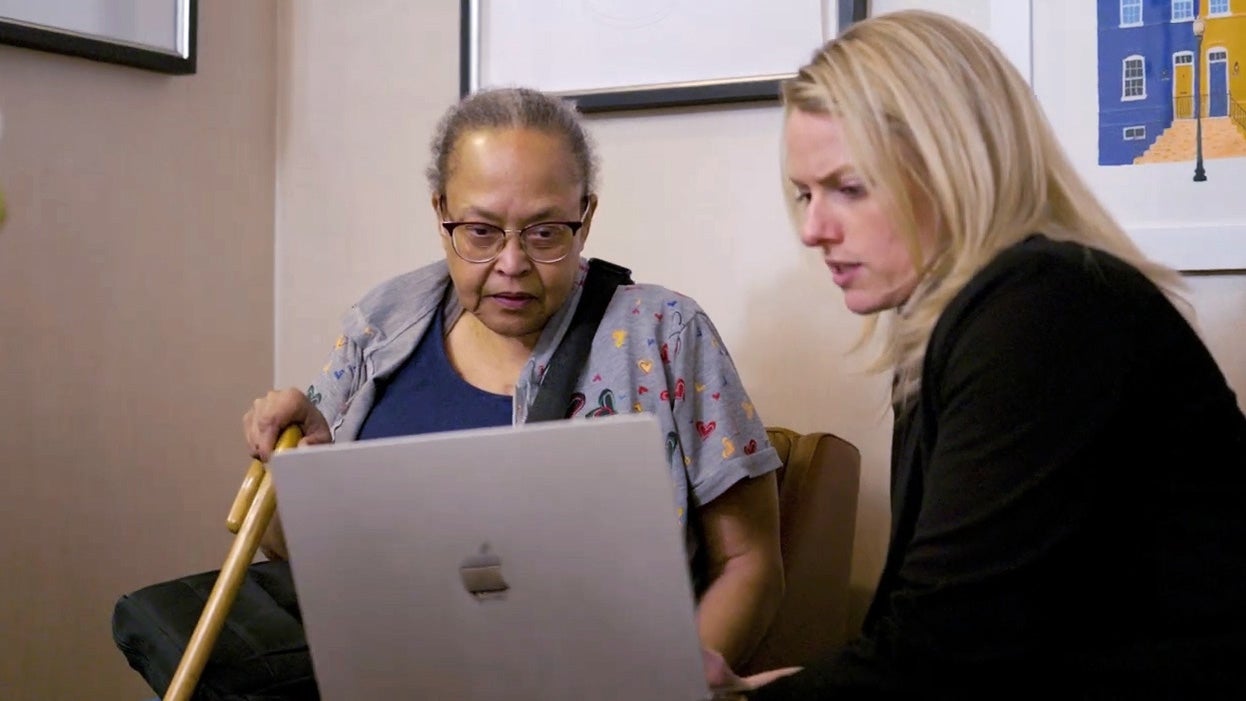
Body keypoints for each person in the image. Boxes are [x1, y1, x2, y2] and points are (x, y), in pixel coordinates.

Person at [731, 10, 1246, 699]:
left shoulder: (1045, 310)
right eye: (804, 194)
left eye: (849, 188)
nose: (814, 229)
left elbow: (942, 655)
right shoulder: (970, 318)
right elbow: (957, 635)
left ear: (954, 168)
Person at [243, 87, 785, 666]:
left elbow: (748, 564)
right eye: (480, 231)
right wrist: (298, 470)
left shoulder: (666, 334)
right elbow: (281, 551)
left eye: (546, 232)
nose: (511, 263)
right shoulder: (383, 323)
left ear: (587, 217)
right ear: (440, 212)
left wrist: (675, 683)